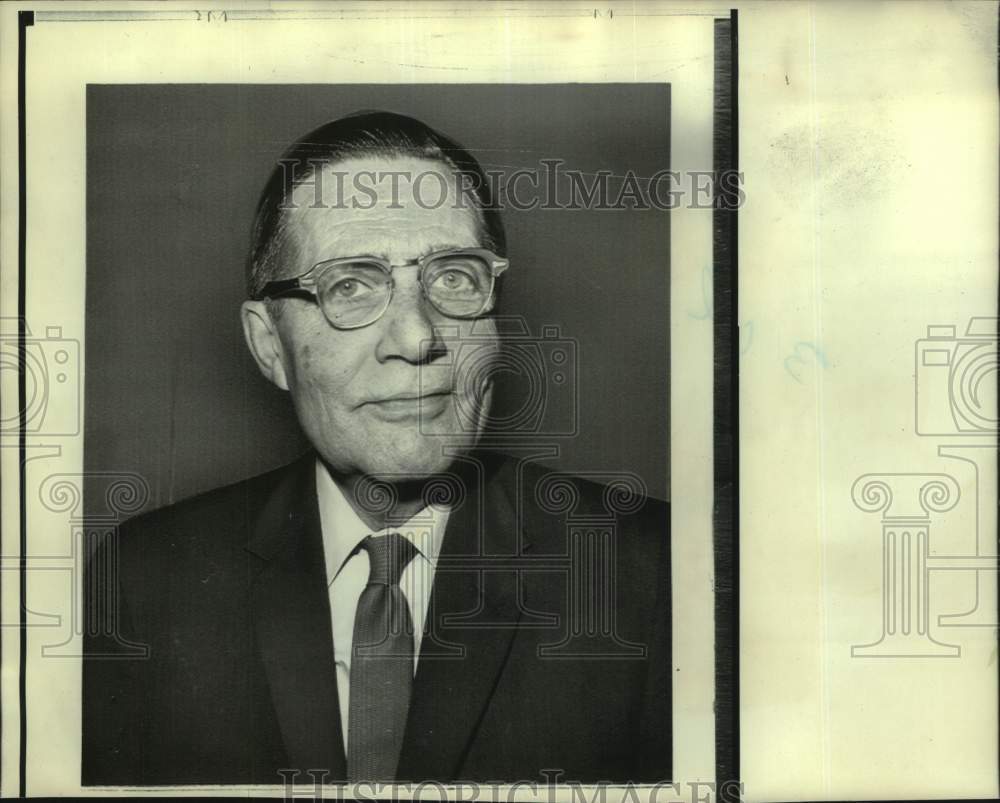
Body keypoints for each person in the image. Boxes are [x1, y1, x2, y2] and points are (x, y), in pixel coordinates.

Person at [82, 111, 671, 786]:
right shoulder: (146, 581)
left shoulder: (654, 575)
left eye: (453, 277)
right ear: (269, 344)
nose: (417, 337)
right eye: (351, 286)